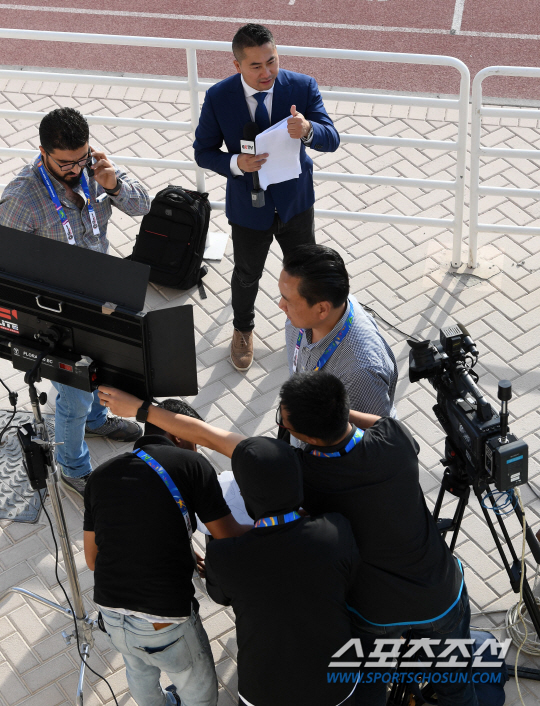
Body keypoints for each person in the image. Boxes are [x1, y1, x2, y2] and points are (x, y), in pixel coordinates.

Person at [98, 375, 478, 706]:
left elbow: (208, 436)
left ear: (305, 437)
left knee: (368, 690)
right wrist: (329, 409)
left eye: (284, 419)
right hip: (441, 593)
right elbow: (370, 421)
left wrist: (143, 410)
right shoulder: (395, 439)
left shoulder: (301, 473)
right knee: (457, 684)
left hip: (374, 615)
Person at [0, 107, 151, 497]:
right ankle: (73, 468)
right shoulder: (21, 199)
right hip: (56, 310)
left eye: (80, 158)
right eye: (65, 163)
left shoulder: (97, 170)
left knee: (104, 369)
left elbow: (143, 206)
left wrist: (114, 186)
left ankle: (97, 422)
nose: (75, 169)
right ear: (43, 152)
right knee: (74, 393)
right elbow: (7, 266)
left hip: (101, 297)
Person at [83, 399, 251, 706]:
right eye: (196, 440)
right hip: (164, 622)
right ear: (178, 434)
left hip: (110, 614)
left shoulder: (100, 475)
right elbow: (228, 535)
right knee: (198, 692)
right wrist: (280, 524)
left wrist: (179, 550)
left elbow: (92, 559)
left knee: (140, 673)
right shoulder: (192, 464)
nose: (198, 449)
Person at [193, 23, 339, 373]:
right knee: (247, 274)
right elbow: (203, 152)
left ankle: (310, 331)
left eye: (271, 61)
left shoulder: (302, 86)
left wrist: (308, 130)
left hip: (295, 205)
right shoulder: (218, 97)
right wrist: (236, 163)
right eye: (256, 65)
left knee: (305, 274)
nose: (267, 72)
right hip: (248, 207)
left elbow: (331, 137)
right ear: (237, 65)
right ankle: (243, 330)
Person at [205, 436, 360, 706]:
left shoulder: (224, 556)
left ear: (245, 495)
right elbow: (349, 578)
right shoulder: (335, 530)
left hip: (264, 693)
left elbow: (220, 596)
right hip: (336, 686)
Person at [280, 243, 398, 427]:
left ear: (322, 309)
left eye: (288, 301)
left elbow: (372, 436)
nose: (281, 305)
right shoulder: (305, 316)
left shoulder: (359, 372)